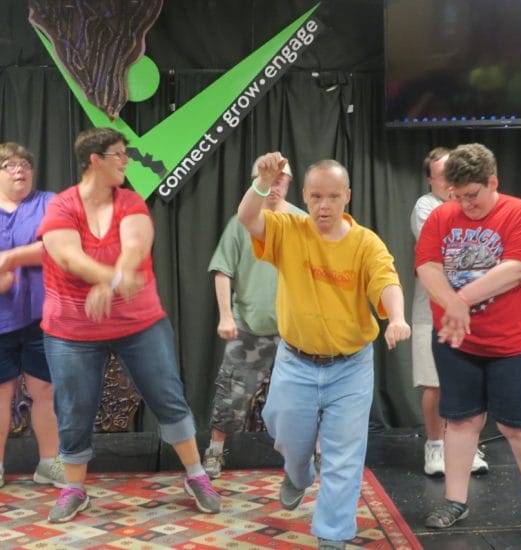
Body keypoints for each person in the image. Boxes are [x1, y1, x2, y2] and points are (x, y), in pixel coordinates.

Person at [36, 127, 221, 523]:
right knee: (73, 409)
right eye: (118, 154)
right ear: (94, 160)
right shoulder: (61, 207)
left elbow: (136, 246)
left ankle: (196, 475)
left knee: (167, 395)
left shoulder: (131, 202)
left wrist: (113, 280)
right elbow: (67, 256)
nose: (125, 161)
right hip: (71, 330)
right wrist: (108, 278)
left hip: (138, 322)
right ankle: (74, 489)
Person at [237, 152, 411, 549]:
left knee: (344, 453)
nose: (324, 206)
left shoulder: (366, 243)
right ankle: (298, 474)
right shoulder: (288, 230)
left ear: (347, 196)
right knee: (285, 434)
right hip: (295, 362)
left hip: (351, 366)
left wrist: (397, 317)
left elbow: (387, 281)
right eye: (316, 197)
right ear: (304, 196)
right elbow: (248, 218)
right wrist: (262, 183)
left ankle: (332, 535)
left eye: (333, 196)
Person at [415, 143, 521, 541]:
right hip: (457, 341)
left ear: (493, 181)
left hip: (517, 343)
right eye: (456, 196)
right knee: (460, 421)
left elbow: (519, 268)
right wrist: (452, 305)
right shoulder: (441, 215)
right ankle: (455, 501)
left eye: (472, 195)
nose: (465, 204)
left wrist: (462, 300)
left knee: (520, 428)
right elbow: (427, 266)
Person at [202, 158, 306, 478]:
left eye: (280, 180)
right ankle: (215, 450)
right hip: (250, 323)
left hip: (295, 327)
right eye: (268, 179)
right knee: (231, 392)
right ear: (255, 181)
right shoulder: (241, 222)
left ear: (288, 183)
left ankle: (310, 454)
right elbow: (222, 270)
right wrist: (225, 316)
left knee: (304, 396)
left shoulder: (303, 222)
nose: (274, 186)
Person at [411, 147, 488, 476]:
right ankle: (435, 447)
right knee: (435, 384)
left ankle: (468, 447)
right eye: (442, 176)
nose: (450, 182)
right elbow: (446, 251)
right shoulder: (426, 207)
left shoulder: (474, 204)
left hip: (473, 310)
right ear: (431, 180)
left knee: (471, 382)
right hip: (432, 312)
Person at [0, 142, 64, 489]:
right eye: (9, 165)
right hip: (1, 320)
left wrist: (10, 258)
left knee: (45, 389)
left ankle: (48, 464)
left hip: (43, 316)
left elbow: (57, 246)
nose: (19, 170)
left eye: (25, 164)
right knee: (1, 393)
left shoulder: (49, 203)